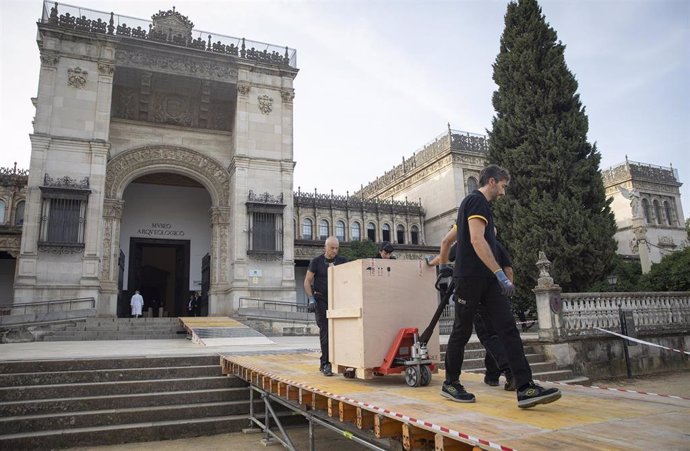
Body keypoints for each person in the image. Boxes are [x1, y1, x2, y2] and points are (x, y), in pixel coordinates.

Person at [439, 164, 561, 409]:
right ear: (492, 181)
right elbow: (475, 239)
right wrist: (500, 273)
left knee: (508, 329)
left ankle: (525, 387)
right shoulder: (476, 201)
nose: (504, 192)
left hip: (488, 282)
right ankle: (451, 383)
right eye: (503, 186)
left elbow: (472, 240)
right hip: (470, 280)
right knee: (461, 332)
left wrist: (497, 277)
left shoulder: (484, 207)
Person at [304, 236, 348, 376]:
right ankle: (325, 364)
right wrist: (311, 299)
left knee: (341, 332)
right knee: (326, 331)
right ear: (325, 247)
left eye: (336, 248)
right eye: (332, 248)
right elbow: (307, 281)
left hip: (338, 300)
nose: (334, 251)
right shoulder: (316, 262)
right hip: (321, 299)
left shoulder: (342, 261)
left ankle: (341, 362)